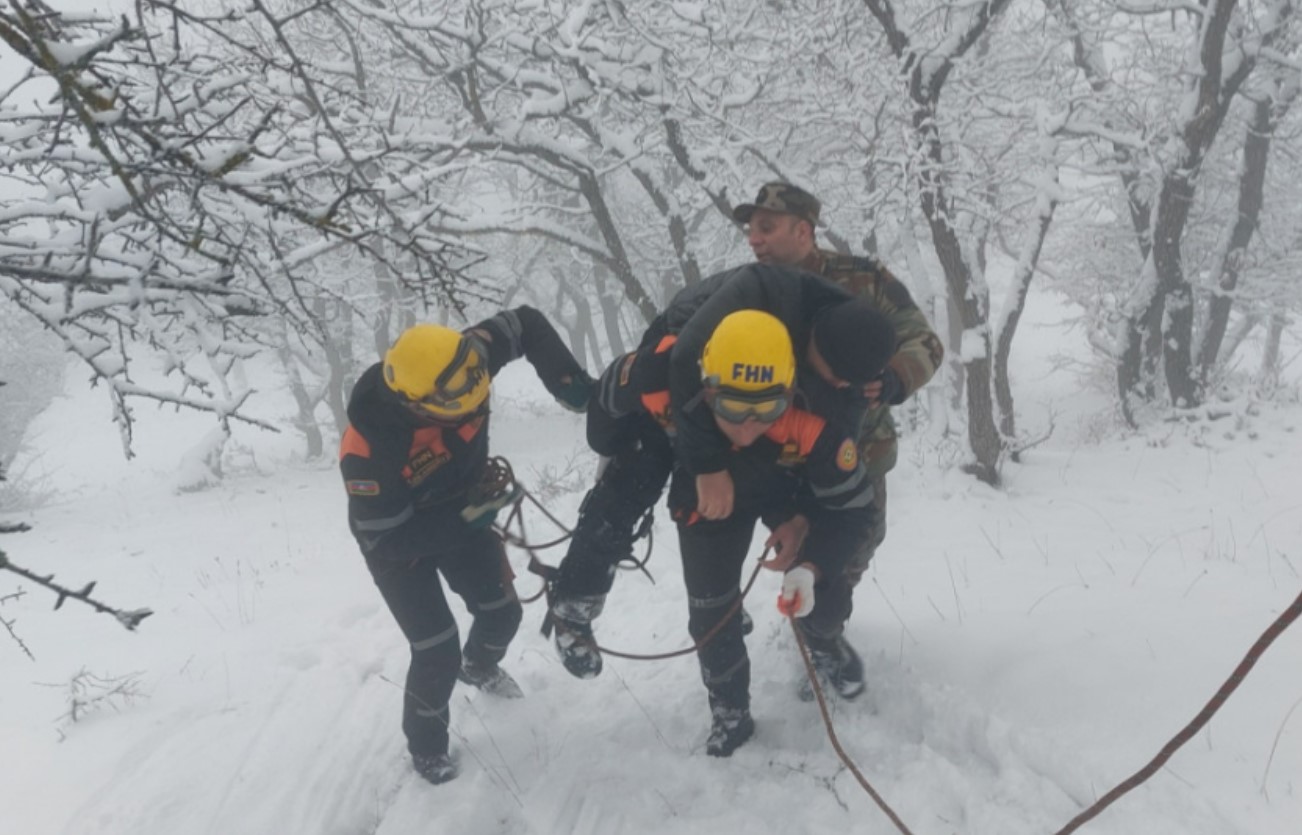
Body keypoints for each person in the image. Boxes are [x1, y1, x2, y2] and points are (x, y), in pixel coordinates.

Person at [548, 265, 897, 690]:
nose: (841, 384)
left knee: (817, 543)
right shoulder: (762, 291)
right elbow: (673, 365)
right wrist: (704, 466)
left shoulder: (848, 383)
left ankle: (821, 633)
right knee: (634, 476)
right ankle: (574, 604)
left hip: (770, 430)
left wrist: (802, 522)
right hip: (689, 390)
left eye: (850, 382)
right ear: (813, 342)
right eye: (836, 375)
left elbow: (832, 470)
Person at [339, 307, 591, 785]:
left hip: (464, 509)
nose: (476, 401)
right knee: (436, 648)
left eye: (479, 387)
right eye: (460, 403)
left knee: (502, 613)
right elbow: (387, 539)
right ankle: (427, 749)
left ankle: (478, 666)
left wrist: (568, 381)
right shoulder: (367, 449)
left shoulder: (461, 364)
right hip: (399, 543)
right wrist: (470, 517)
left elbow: (526, 323)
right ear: (417, 404)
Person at [730, 181, 943, 685]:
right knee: (803, 548)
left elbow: (924, 341)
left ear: (803, 231)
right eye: (751, 230)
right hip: (782, 458)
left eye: (767, 227)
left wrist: (893, 377)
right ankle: (817, 632)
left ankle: (823, 627)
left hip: (859, 452)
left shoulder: (863, 279)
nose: (754, 239)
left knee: (853, 550)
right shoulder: (748, 291)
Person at [666, 310, 883, 755]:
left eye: (766, 408)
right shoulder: (674, 401)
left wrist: (811, 562)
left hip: (787, 490)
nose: (748, 425)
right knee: (710, 611)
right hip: (708, 493)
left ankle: (823, 639)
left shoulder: (817, 421)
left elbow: (854, 511)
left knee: (822, 595)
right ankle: (730, 711)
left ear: (788, 393)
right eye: (732, 407)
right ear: (706, 392)